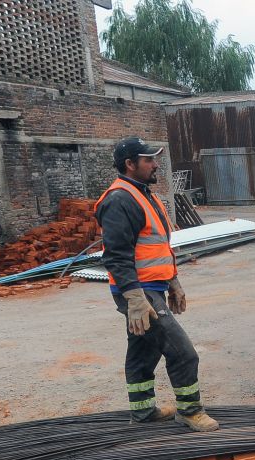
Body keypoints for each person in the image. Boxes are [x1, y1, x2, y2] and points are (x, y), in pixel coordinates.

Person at [94, 137, 219, 432]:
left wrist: (173, 282)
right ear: (130, 164)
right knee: (183, 351)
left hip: (153, 287)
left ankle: (143, 411)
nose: (156, 164)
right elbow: (116, 256)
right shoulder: (118, 200)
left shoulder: (143, 195)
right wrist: (135, 299)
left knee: (142, 350)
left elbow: (158, 246)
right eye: (149, 159)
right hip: (139, 292)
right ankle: (189, 410)